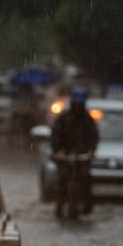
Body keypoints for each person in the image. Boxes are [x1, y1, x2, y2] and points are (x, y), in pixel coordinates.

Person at [50, 87, 99, 217]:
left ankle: (87, 204)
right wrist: (58, 151)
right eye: (76, 103)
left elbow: (93, 137)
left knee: (86, 178)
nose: (78, 106)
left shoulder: (88, 119)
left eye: (80, 103)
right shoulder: (63, 118)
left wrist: (91, 151)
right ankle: (59, 206)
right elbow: (55, 135)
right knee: (62, 179)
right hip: (65, 155)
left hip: (82, 156)